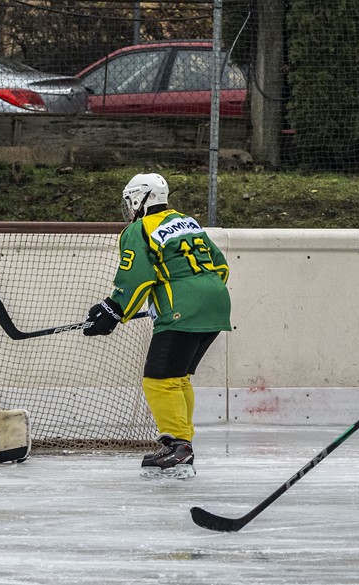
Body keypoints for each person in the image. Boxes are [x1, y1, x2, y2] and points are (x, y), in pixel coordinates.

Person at [83, 172, 231, 479]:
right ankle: (182, 444)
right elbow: (220, 266)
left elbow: (137, 276)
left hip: (183, 309)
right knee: (177, 377)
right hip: (217, 303)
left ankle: (178, 446)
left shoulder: (139, 228)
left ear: (139, 198)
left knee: (158, 380)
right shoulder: (188, 222)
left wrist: (114, 310)